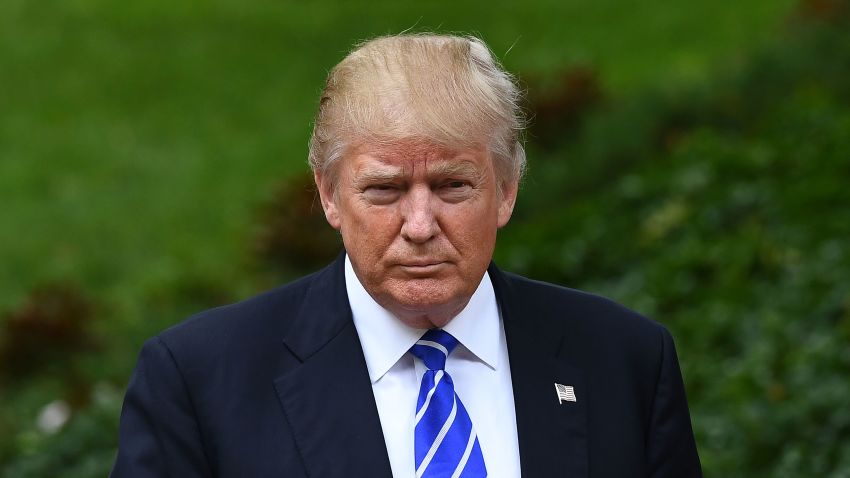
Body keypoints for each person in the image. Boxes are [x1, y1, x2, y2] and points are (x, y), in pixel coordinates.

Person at [111, 34, 702, 477]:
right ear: (328, 194)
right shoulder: (200, 380)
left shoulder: (624, 361)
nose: (420, 226)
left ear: (507, 189)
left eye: (453, 187)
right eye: (385, 190)